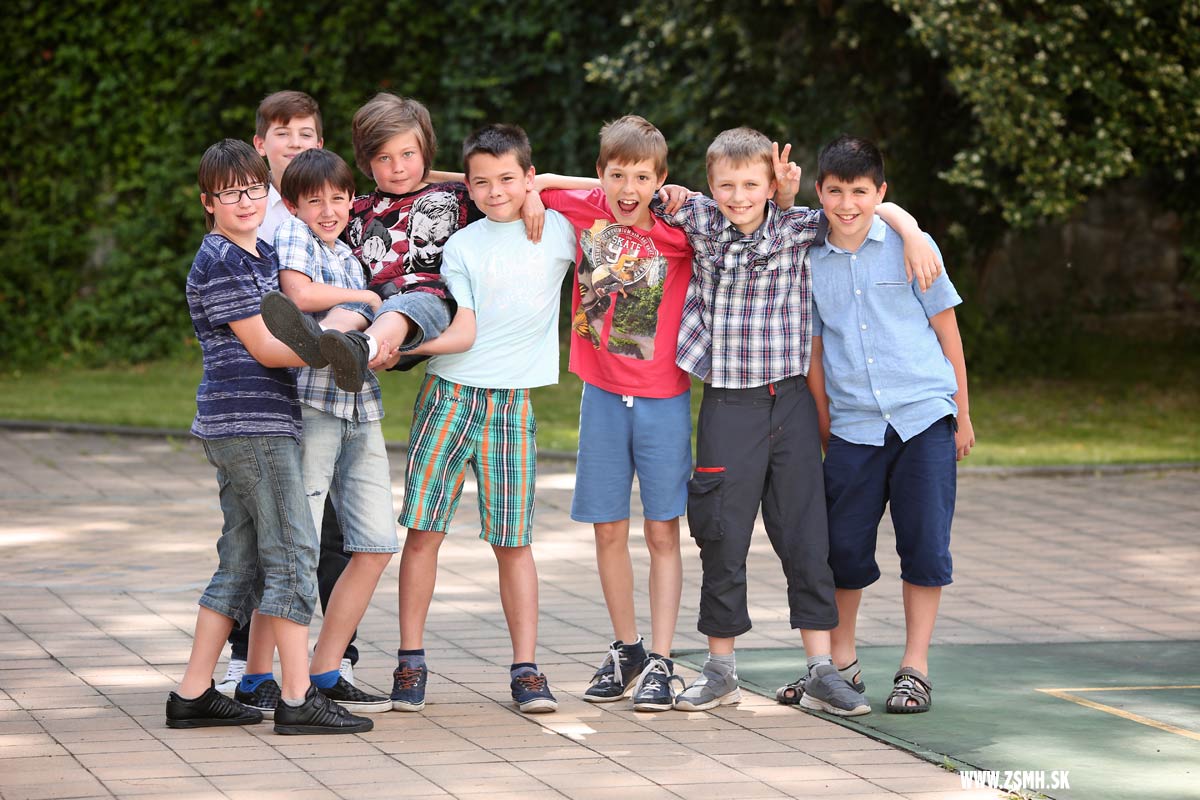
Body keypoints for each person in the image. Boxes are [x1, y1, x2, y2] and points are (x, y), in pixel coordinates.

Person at [656, 127, 940, 715]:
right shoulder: (699, 219)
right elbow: (621, 191)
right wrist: (533, 188)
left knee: (808, 536)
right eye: (726, 186)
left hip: (790, 403)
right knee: (722, 533)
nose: (738, 197)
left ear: (771, 186)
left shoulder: (799, 227)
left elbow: (863, 207)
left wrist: (912, 231)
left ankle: (822, 669)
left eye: (750, 185)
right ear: (709, 185)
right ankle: (720, 669)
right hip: (728, 404)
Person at [166, 138, 370, 735]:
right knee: (294, 552)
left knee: (244, 561)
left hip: (251, 421)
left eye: (254, 189)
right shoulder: (222, 261)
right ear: (208, 202)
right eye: (230, 194)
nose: (245, 201)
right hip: (251, 424)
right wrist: (334, 353)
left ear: (268, 191)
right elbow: (263, 347)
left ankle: (193, 694)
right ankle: (298, 698)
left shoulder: (260, 255)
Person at [389, 124, 577, 714]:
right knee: (424, 531)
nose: (496, 192)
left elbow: (614, 189)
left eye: (509, 180)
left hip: (512, 406)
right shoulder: (462, 246)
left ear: (528, 176)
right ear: (468, 188)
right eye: (482, 183)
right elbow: (464, 331)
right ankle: (410, 663)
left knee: (513, 540)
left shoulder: (560, 231)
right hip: (449, 396)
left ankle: (527, 670)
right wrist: (408, 351)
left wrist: (540, 191)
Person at [800, 134, 972, 714]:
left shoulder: (910, 247)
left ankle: (914, 668)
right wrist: (824, 422)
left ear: (880, 193)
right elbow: (816, 352)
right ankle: (842, 663)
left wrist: (962, 414)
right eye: (835, 192)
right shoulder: (810, 260)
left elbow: (948, 332)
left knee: (925, 545)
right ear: (819, 191)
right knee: (843, 549)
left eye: (860, 192)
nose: (847, 204)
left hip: (924, 416)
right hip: (853, 427)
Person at [536, 116, 694, 712]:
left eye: (644, 178)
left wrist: (671, 196)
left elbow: (743, 214)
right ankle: (627, 649)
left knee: (661, 531)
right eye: (618, 175)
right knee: (607, 528)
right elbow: (536, 184)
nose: (630, 189)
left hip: (662, 400)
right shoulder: (587, 209)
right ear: (599, 173)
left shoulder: (679, 231)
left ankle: (663, 660)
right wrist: (603, 187)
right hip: (600, 397)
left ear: (662, 179)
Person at [234, 148, 397, 717]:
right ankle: (258, 675)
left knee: (376, 544)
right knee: (294, 546)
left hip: (361, 408)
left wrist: (372, 329)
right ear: (294, 205)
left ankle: (327, 668)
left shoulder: (349, 254)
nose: (328, 209)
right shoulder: (295, 236)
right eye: (314, 200)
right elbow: (299, 294)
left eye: (338, 198)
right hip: (311, 408)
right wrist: (367, 298)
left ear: (352, 200)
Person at [217, 90, 360, 697]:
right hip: (266, 390)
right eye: (283, 134)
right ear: (261, 144)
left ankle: (335, 656)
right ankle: (247, 659)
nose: (295, 144)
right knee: (261, 527)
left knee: (328, 529)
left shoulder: (330, 200)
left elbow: (415, 177)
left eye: (306, 134)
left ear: (320, 143)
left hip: (323, 392)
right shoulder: (250, 207)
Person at [264, 92, 482, 392]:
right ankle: (319, 338)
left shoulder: (454, 197)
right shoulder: (356, 209)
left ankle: (361, 350)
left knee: (401, 307)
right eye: (384, 158)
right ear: (367, 162)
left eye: (408, 154)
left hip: (427, 300)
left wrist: (533, 198)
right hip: (373, 302)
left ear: (425, 152)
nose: (398, 168)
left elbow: (505, 184)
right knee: (350, 305)